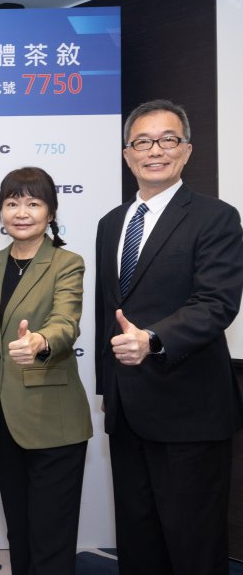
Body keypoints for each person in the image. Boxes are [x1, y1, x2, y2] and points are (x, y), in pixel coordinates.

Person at [95, 99, 243, 575]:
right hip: (126, 412)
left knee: (194, 549)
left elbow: (217, 303)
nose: (154, 150)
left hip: (190, 413)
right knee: (138, 546)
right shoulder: (111, 223)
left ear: (187, 150)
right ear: (127, 154)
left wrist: (153, 338)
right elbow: (107, 311)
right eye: (142, 141)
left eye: (167, 140)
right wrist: (107, 388)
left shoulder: (216, 217)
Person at [0, 167, 92, 575]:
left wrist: (41, 341)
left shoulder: (66, 263)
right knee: (19, 531)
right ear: (1, 211)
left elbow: (66, 322)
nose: (22, 212)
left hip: (54, 421)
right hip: (2, 420)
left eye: (33, 203)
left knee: (51, 537)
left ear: (51, 212)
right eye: (12, 203)